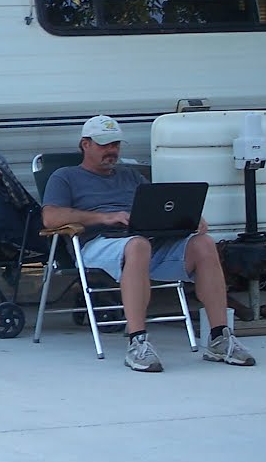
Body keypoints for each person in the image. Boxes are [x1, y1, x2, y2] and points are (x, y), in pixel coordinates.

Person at [42, 114, 255, 373]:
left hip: (146, 241)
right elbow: (50, 217)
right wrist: (104, 218)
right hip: (99, 243)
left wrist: (187, 216)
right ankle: (137, 342)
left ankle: (220, 337)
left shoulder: (130, 176)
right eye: (104, 144)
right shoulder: (65, 176)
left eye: (115, 144)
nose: (112, 151)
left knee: (203, 244)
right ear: (85, 144)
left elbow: (158, 205)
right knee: (138, 245)